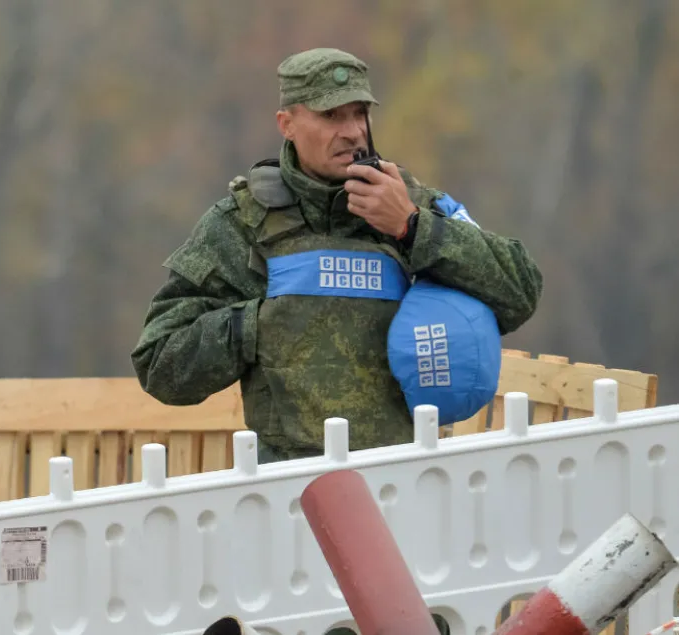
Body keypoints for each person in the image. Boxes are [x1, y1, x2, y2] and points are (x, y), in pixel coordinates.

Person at [131, 48, 543, 463]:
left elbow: (521, 291)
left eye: (359, 113)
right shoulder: (243, 224)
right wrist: (257, 325)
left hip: (402, 475)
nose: (352, 132)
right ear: (286, 124)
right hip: (290, 488)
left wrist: (412, 228)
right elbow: (160, 364)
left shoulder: (409, 204)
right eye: (331, 116)